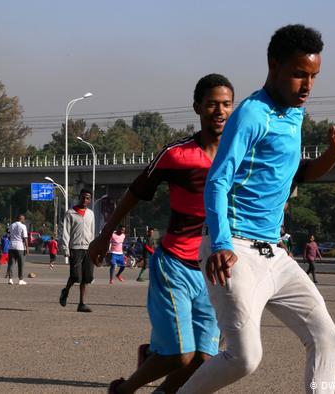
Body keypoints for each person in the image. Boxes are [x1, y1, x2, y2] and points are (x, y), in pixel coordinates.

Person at [182, 25, 335, 393]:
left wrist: (333, 153)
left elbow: (299, 175)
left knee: (328, 338)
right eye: (298, 74)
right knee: (245, 358)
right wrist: (222, 243)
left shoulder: (294, 115)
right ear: (273, 65)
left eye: (313, 77)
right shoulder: (252, 115)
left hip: (275, 253)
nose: (307, 85)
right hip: (235, 250)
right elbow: (218, 180)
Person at [89, 73, 235, 394]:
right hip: (176, 265)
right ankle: (124, 389)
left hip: (214, 273)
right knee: (180, 356)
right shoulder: (176, 154)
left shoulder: (239, 155)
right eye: (212, 104)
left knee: (204, 359)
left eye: (226, 104)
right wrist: (104, 234)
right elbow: (135, 193)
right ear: (197, 106)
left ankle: (157, 372)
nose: (220, 111)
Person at [59, 189, 95, 313]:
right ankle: (66, 291)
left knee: (87, 277)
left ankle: (82, 304)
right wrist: (66, 249)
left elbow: (92, 232)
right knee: (75, 276)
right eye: (83, 197)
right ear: (79, 197)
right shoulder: (70, 213)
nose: (85, 200)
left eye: (88, 198)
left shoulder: (91, 214)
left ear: (90, 200)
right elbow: (66, 233)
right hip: (75, 248)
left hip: (88, 248)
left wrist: (94, 248)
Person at [7, 214, 28, 285]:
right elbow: (25, 238)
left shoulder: (11, 225)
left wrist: (12, 242)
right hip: (20, 247)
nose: (24, 220)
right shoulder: (23, 226)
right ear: (21, 219)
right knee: (21, 264)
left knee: (11, 264)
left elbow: (8, 235)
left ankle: (10, 279)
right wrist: (27, 248)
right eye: (24, 219)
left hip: (11, 246)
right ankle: (20, 280)